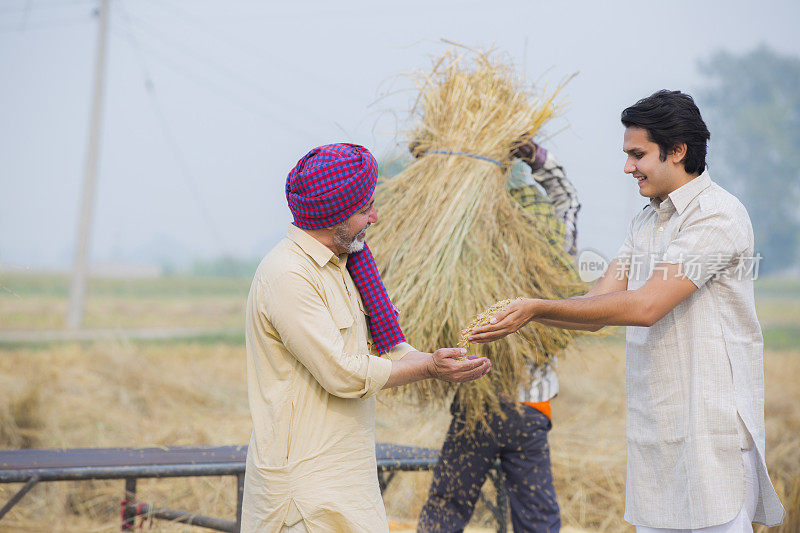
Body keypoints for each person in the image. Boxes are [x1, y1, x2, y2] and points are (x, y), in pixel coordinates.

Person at [468, 90, 785, 532]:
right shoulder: (647, 220)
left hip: (710, 436)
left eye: (638, 154)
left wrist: (537, 307)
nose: (627, 167)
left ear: (678, 152)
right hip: (658, 431)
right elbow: (597, 305)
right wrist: (526, 314)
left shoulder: (717, 216)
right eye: (627, 154)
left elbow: (646, 305)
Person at [240, 143, 491, 533]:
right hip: (303, 495)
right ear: (333, 214)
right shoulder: (289, 276)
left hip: (344, 480)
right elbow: (343, 373)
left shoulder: (345, 266)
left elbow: (388, 350)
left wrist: (439, 361)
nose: (375, 216)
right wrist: (428, 368)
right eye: (363, 209)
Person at [417, 140, 580, 533]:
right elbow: (568, 200)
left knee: (445, 511)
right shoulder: (554, 254)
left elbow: (426, 218)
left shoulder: (464, 243)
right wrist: (537, 156)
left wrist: (434, 161)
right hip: (531, 405)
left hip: (477, 402)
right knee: (536, 518)